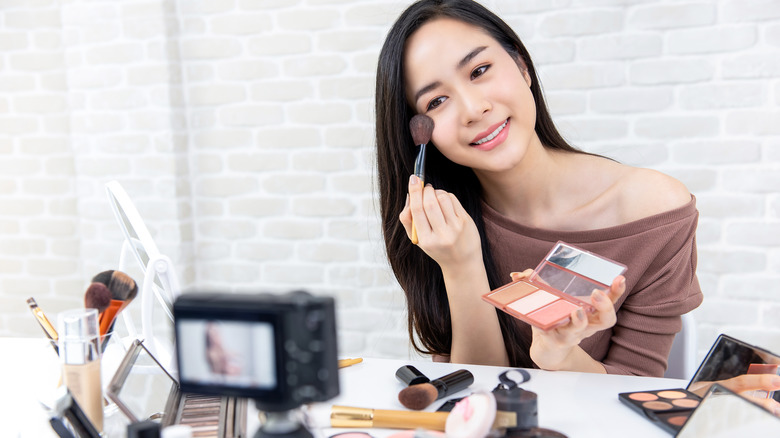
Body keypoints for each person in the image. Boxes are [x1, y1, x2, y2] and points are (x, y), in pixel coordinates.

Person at [374, 0, 704, 377]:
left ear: (522, 66)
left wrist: (560, 356)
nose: (473, 108)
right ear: (421, 134)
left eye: (479, 70)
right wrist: (461, 264)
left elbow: (637, 391)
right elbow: (472, 393)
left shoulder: (652, 210)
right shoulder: (442, 228)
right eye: (437, 101)